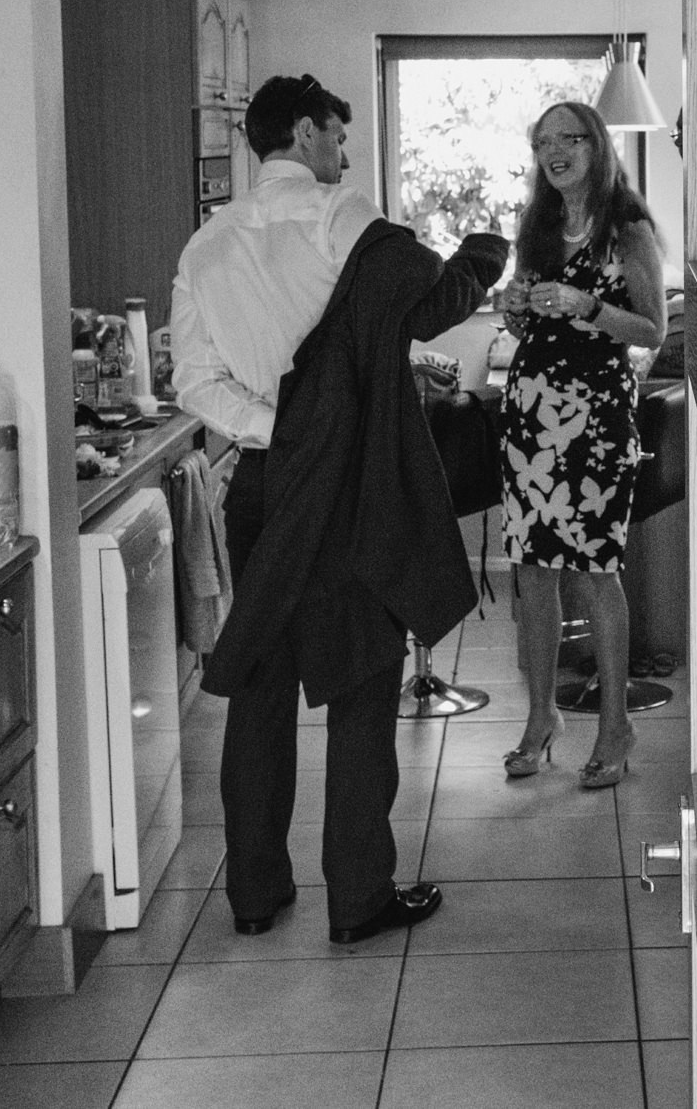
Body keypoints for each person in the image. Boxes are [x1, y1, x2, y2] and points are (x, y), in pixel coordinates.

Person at [173, 73, 508, 943]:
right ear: (310, 132)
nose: (344, 154)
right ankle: (358, 896)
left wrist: (276, 427)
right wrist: (487, 248)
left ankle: (254, 892)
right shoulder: (340, 216)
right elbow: (433, 306)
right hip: (349, 491)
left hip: (261, 490)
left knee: (260, 688)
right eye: (337, 136)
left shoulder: (203, 247)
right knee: (362, 687)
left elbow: (192, 382)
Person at [497, 101, 668, 788]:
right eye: (543, 142)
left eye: (568, 138)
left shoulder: (625, 228)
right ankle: (542, 719)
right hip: (531, 417)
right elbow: (528, 330)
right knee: (533, 570)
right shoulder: (537, 226)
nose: (554, 151)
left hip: (596, 421)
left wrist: (587, 306)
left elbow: (652, 328)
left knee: (595, 571)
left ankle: (615, 728)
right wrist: (517, 309)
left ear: (596, 145)